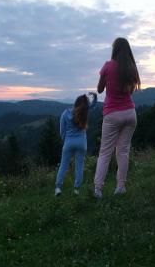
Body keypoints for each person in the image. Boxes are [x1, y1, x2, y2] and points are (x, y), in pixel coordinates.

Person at [94, 37, 140, 198]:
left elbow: (99, 90)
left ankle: (98, 189)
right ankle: (121, 186)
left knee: (105, 152)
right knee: (123, 151)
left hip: (112, 114)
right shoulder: (132, 68)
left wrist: (108, 82)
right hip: (130, 113)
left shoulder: (108, 66)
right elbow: (130, 92)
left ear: (115, 50)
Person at [55, 92, 97, 196]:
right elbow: (94, 105)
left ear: (75, 102)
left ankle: (58, 188)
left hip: (69, 141)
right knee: (79, 166)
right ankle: (76, 190)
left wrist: (65, 141)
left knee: (63, 165)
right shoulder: (85, 111)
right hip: (81, 143)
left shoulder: (65, 113)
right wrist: (94, 96)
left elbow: (62, 131)